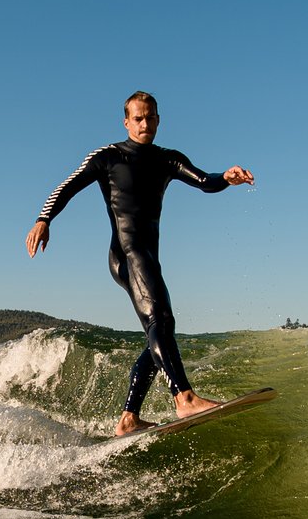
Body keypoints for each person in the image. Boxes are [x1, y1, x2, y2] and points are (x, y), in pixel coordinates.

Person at [25, 91, 256, 435]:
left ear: (159, 120)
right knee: (161, 319)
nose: (144, 124)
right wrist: (44, 219)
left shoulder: (167, 159)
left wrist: (227, 177)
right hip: (126, 254)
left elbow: (205, 181)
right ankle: (184, 398)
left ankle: (128, 419)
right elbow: (67, 186)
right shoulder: (108, 156)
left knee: (159, 331)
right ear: (126, 121)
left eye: (150, 118)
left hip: (148, 256)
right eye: (138, 118)